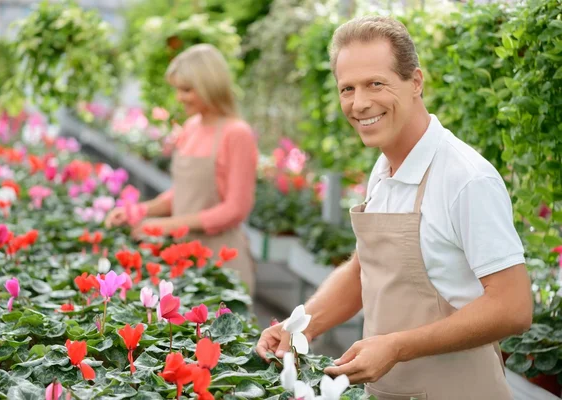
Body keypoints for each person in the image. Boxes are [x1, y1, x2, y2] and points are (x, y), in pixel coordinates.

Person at [256, 16, 533, 399]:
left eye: (376, 84)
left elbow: (513, 306)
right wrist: (300, 326)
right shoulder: (385, 167)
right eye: (347, 89)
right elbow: (365, 268)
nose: (359, 103)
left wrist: (398, 346)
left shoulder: (466, 178)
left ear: (415, 82)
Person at [105, 44, 258, 295]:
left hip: (221, 261)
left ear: (210, 86)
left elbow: (235, 209)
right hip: (183, 260)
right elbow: (186, 192)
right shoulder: (191, 127)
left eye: (187, 90)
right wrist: (139, 211)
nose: (179, 97)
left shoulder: (236, 133)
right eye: (178, 89)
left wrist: (167, 226)